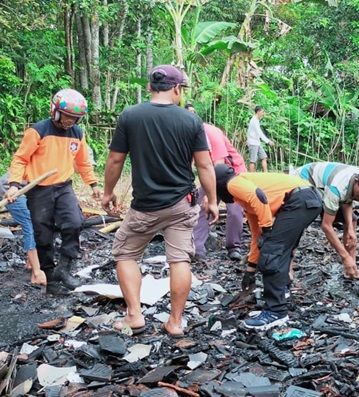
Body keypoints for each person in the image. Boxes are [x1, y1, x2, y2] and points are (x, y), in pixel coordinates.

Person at [102, 65, 219, 337]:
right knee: (179, 260)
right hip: (182, 203)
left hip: (145, 205)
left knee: (126, 253)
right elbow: (204, 165)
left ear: (149, 88)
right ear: (177, 89)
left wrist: (108, 192)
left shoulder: (131, 115)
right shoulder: (191, 121)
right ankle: (175, 322)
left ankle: (134, 315)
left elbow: (116, 159)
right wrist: (212, 200)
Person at [5, 88, 100, 295]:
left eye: (75, 119)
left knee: (75, 222)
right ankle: (49, 277)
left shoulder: (77, 133)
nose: (70, 122)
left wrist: (93, 184)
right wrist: (14, 184)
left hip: (63, 186)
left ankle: (64, 268)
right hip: (38, 189)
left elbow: (83, 163)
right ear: (55, 111)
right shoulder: (38, 131)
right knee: (43, 232)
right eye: (67, 117)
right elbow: (20, 159)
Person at [214, 165, 322, 330]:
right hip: (307, 199)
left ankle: (276, 312)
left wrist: (267, 229)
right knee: (278, 248)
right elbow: (256, 238)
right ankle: (282, 290)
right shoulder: (247, 203)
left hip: (299, 199)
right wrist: (250, 270)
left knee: (272, 252)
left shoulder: (233, 183)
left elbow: (258, 197)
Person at [297, 162, 359, 280]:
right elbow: (326, 226)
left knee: (353, 220)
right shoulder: (337, 188)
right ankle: (287, 270)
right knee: (303, 219)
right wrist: (345, 257)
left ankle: (352, 270)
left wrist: (350, 228)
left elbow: (348, 200)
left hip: (328, 186)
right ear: (356, 181)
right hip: (304, 181)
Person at [185, 104, 247, 261]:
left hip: (231, 172)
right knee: (199, 207)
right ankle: (197, 248)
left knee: (234, 209)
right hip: (210, 172)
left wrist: (210, 196)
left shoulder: (211, 132)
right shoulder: (187, 134)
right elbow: (192, 164)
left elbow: (218, 166)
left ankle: (234, 247)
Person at [0, 173, 45, 285]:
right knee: (30, 225)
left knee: (40, 222)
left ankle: (31, 263)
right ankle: (36, 273)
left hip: (28, 190)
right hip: (10, 190)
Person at [247, 106, 275, 172]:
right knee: (252, 161)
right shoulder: (254, 121)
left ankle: (265, 174)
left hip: (257, 142)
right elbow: (259, 133)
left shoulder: (256, 120)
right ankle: (252, 176)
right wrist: (268, 141)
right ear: (258, 112)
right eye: (262, 112)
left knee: (264, 157)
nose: (263, 113)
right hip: (253, 143)